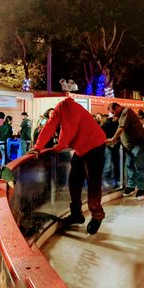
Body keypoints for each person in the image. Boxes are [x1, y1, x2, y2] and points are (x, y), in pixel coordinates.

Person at [28, 97, 107, 234]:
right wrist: (38, 147)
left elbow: (69, 130)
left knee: (93, 182)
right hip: (81, 149)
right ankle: (76, 214)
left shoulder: (70, 108)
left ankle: (97, 216)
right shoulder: (59, 110)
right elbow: (49, 127)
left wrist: (59, 147)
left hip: (95, 145)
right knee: (74, 179)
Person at [107, 102, 144, 200]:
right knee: (129, 166)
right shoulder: (122, 115)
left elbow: (121, 128)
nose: (114, 115)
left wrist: (113, 139)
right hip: (128, 147)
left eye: (114, 112)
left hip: (137, 145)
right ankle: (131, 187)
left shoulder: (126, 111)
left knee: (139, 168)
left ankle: (141, 189)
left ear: (117, 107)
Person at [101, 112, 120, 188]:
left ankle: (109, 181)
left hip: (109, 145)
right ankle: (114, 181)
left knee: (110, 164)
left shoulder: (106, 124)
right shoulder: (111, 123)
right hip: (111, 145)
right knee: (112, 164)